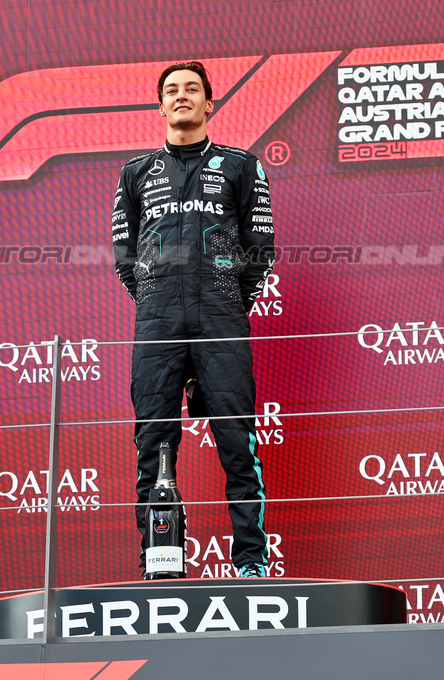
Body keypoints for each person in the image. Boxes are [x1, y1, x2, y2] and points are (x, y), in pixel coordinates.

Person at [112, 61, 276, 578]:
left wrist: (226, 299)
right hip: (157, 323)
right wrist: (157, 299)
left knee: (236, 444)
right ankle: (160, 563)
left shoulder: (241, 166)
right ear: (159, 104)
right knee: (152, 446)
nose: (181, 97)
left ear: (210, 102)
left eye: (192, 90)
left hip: (221, 323)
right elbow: (124, 256)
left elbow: (260, 250)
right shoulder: (135, 173)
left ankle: (250, 564)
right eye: (171, 91)